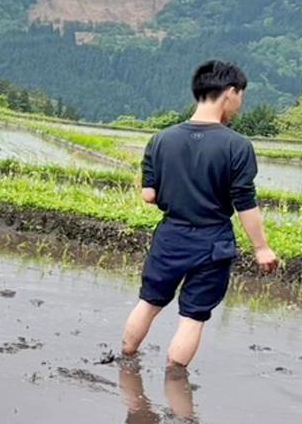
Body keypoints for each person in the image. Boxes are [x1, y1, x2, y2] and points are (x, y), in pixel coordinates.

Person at [120, 60, 280, 368]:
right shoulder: (237, 146)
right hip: (212, 241)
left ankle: (126, 362)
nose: (240, 104)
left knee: (149, 302)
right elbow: (245, 202)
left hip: (170, 236)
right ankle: (175, 386)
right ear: (230, 93)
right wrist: (261, 247)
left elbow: (148, 195)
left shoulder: (161, 140)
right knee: (192, 318)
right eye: (241, 96)